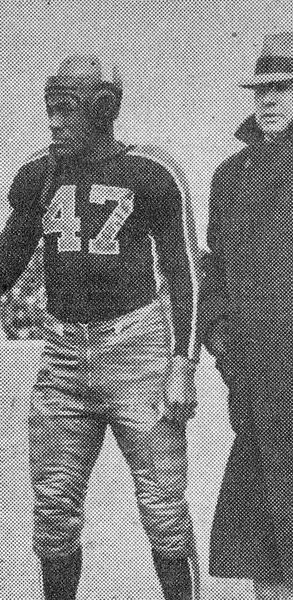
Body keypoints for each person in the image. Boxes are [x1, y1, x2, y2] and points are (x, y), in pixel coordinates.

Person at [0, 56, 202, 599]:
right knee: (52, 510)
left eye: (67, 109)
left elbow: (186, 272)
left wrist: (182, 366)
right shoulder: (39, 174)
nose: (54, 122)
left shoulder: (152, 170)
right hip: (63, 354)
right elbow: (6, 259)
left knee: (163, 508)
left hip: (136, 349)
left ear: (104, 108)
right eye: (50, 109)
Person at [199, 32, 293, 600]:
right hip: (257, 381)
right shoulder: (230, 177)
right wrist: (226, 351)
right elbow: (213, 277)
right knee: (265, 538)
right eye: (262, 89)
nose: (269, 100)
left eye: (283, 89)